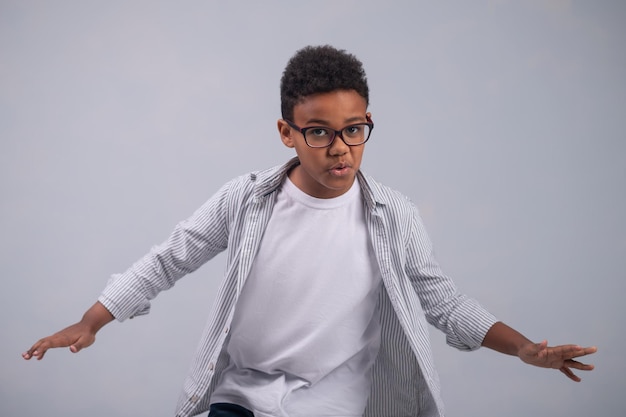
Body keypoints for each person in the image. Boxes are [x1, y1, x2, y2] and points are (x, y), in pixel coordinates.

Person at [23, 45, 596, 417]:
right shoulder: (246, 202)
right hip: (241, 397)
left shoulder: (393, 215)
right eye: (319, 132)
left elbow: (440, 299)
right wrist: (92, 319)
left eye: (355, 129)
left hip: (338, 403)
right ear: (286, 132)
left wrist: (522, 348)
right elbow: (168, 260)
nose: (341, 147)